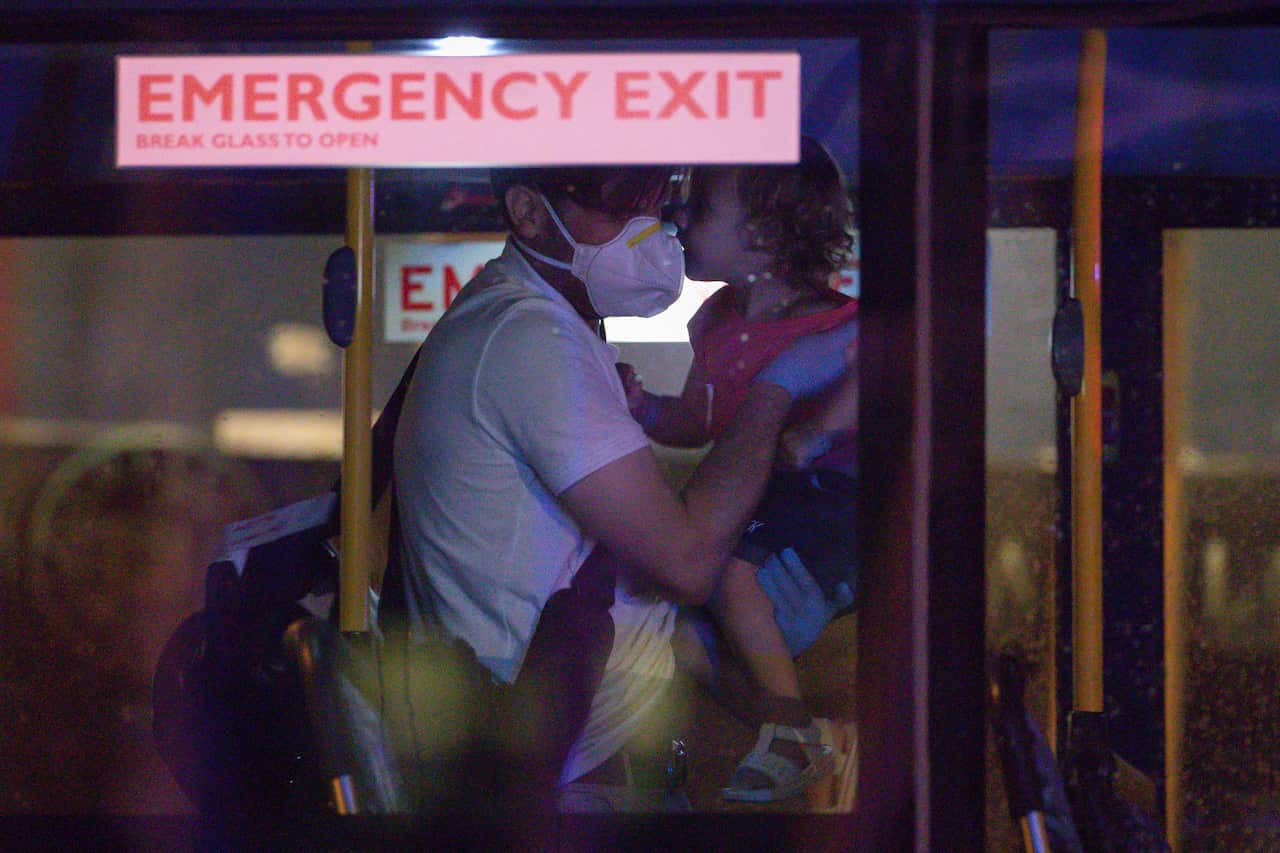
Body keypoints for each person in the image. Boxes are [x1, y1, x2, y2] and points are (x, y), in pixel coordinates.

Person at [386, 162, 858, 822]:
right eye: (617, 210)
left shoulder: (544, 326)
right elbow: (688, 560)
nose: (651, 232)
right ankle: (793, 729)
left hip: (596, 769)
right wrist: (778, 386)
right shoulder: (529, 339)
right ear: (528, 213)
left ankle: (796, 730)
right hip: (578, 785)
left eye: (655, 204)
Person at [618, 136, 860, 804]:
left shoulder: (836, 323)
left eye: (697, 207)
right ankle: (798, 732)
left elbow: (882, 371)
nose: (677, 218)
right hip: (760, 505)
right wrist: (645, 410)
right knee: (677, 640)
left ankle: (786, 722)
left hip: (830, 499)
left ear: (763, 232)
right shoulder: (716, 319)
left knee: (728, 570)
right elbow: (702, 418)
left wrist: (817, 431)